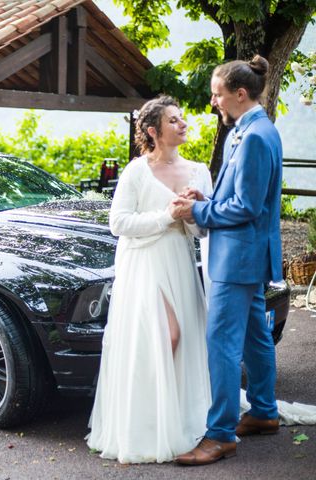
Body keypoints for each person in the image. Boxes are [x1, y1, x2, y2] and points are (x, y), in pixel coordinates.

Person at [86, 95, 213, 463]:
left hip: (178, 263)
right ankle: (146, 422)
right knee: (163, 336)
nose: (183, 123)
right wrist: (166, 216)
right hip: (143, 266)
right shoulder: (136, 172)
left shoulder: (198, 171)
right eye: (174, 120)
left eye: (182, 118)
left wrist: (194, 211)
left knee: (183, 340)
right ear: (154, 131)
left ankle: (177, 417)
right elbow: (118, 223)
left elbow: (201, 232)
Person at [173, 55, 283, 466]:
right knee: (256, 335)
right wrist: (209, 200)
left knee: (220, 342)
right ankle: (264, 412)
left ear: (240, 93)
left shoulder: (254, 136)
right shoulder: (251, 129)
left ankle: (219, 435)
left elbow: (248, 207)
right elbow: (238, 198)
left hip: (237, 258)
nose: (213, 101)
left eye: (218, 94)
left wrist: (197, 213)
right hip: (248, 255)